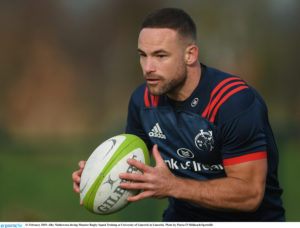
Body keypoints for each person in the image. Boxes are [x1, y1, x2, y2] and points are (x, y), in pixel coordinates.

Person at [72, 8, 285, 221]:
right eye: (143, 55)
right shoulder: (142, 101)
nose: (147, 67)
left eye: (160, 55)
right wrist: (97, 176)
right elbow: (134, 169)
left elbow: (250, 195)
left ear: (190, 54)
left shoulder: (232, 102)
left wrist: (174, 186)